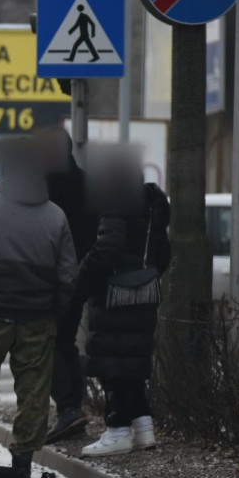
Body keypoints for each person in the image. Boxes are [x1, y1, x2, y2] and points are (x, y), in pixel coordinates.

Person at [0, 144, 77, 478]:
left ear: (5, 173)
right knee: (34, 390)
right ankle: (22, 461)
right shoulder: (56, 215)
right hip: (37, 317)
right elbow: (68, 276)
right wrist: (54, 311)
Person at [77, 147, 170, 457]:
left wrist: (82, 281)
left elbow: (107, 249)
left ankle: (117, 432)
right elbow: (164, 252)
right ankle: (144, 429)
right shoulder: (153, 203)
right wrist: (145, 277)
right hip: (146, 292)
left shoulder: (116, 201)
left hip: (115, 295)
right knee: (133, 362)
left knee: (114, 365)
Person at [36, 128, 100, 443]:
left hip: (50, 281)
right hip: (79, 278)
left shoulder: (42, 188)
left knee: (45, 344)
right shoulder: (87, 183)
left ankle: (68, 409)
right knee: (65, 342)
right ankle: (74, 408)